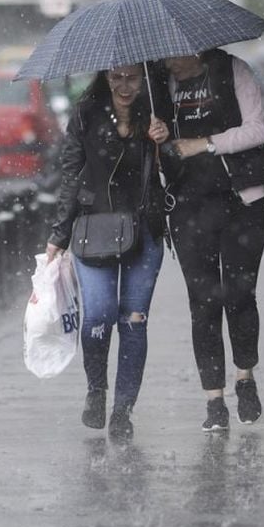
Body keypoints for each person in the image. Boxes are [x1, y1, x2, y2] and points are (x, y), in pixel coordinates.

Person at [45, 64, 169, 441]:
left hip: (144, 228)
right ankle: (96, 390)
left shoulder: (157, 109)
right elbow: (70, 174)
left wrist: (164, 143)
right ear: (105, 77)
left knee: (133, 321)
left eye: (132, 77)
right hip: (93, 229)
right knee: (97, 315)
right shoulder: (86, 114)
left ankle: (123, 410)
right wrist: (58, 234)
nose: (125, 85)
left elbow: (178, 173)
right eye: (117, 77)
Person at [160, 48, 264, 433]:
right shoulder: (161, 81)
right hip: (189, 209)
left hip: (241, 202)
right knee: (203, 303)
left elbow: (258, 130)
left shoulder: (233, 69)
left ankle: (245, 378)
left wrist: (205, 142)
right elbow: (154, 143)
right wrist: (157, 136)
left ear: (194, 50)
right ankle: (214, 402)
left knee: (240, 295)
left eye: (173, 57)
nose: (168, 64)